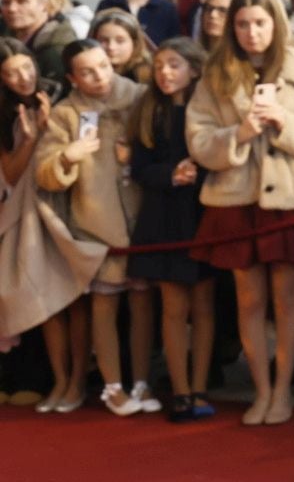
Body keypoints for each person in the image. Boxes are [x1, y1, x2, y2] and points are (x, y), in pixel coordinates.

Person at [186, 0, 294, 425]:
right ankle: (261, 389)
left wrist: (281, 121)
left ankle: (283, 391)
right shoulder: (215, 74)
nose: (252, 33)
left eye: (260, 23)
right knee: (248, 299)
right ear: (231, 27)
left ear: (275, 23)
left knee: (286, 297)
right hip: (236, 198)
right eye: (242, 23)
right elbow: (197, 140)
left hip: (289, 198)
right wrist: (239, 133)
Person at [36, 40, 155, 416]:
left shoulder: (139, 96)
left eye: (103, 66)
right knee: (104, 305)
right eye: (87, 71)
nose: (99, 76)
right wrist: (67, 158)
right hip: (94, 227)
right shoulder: (65, 113)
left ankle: (142, 380)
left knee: (142, 303)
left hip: (143, 221)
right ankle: (112, 387)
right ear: (72, 77)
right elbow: (45, 172)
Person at [0, 39, 96, 413]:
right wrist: (32, 136)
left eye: (26, 69)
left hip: (70, 205)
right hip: (26, 210)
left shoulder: (61, 95)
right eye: (9, 74)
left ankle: (78, 381)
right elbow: (9, 172)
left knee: (74, 298)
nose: (21, 78)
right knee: (48, 301)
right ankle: (59, 381)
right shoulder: (6, 112)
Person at [127, 38, 216, 421]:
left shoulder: (209, 109)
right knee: (173, 308)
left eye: (174, 65)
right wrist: (170, 175)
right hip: (163, 217)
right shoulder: (149, 111)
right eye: (159, 65)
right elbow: (139, 167)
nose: (165, 72)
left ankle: (199, 387)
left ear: (194, 69)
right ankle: (179, 391)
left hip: (203, 215)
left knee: (204, 306)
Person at [1, 0, 78, 83]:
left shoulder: (59, 50)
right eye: (6, 2)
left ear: (44, 5)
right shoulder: (4, 35)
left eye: (22, 1)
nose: (12, 9)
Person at [89, 9, 153, 83]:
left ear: (134, 43)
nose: (111, 47)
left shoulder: (146, 77)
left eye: (120, 41)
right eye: (104, 40)